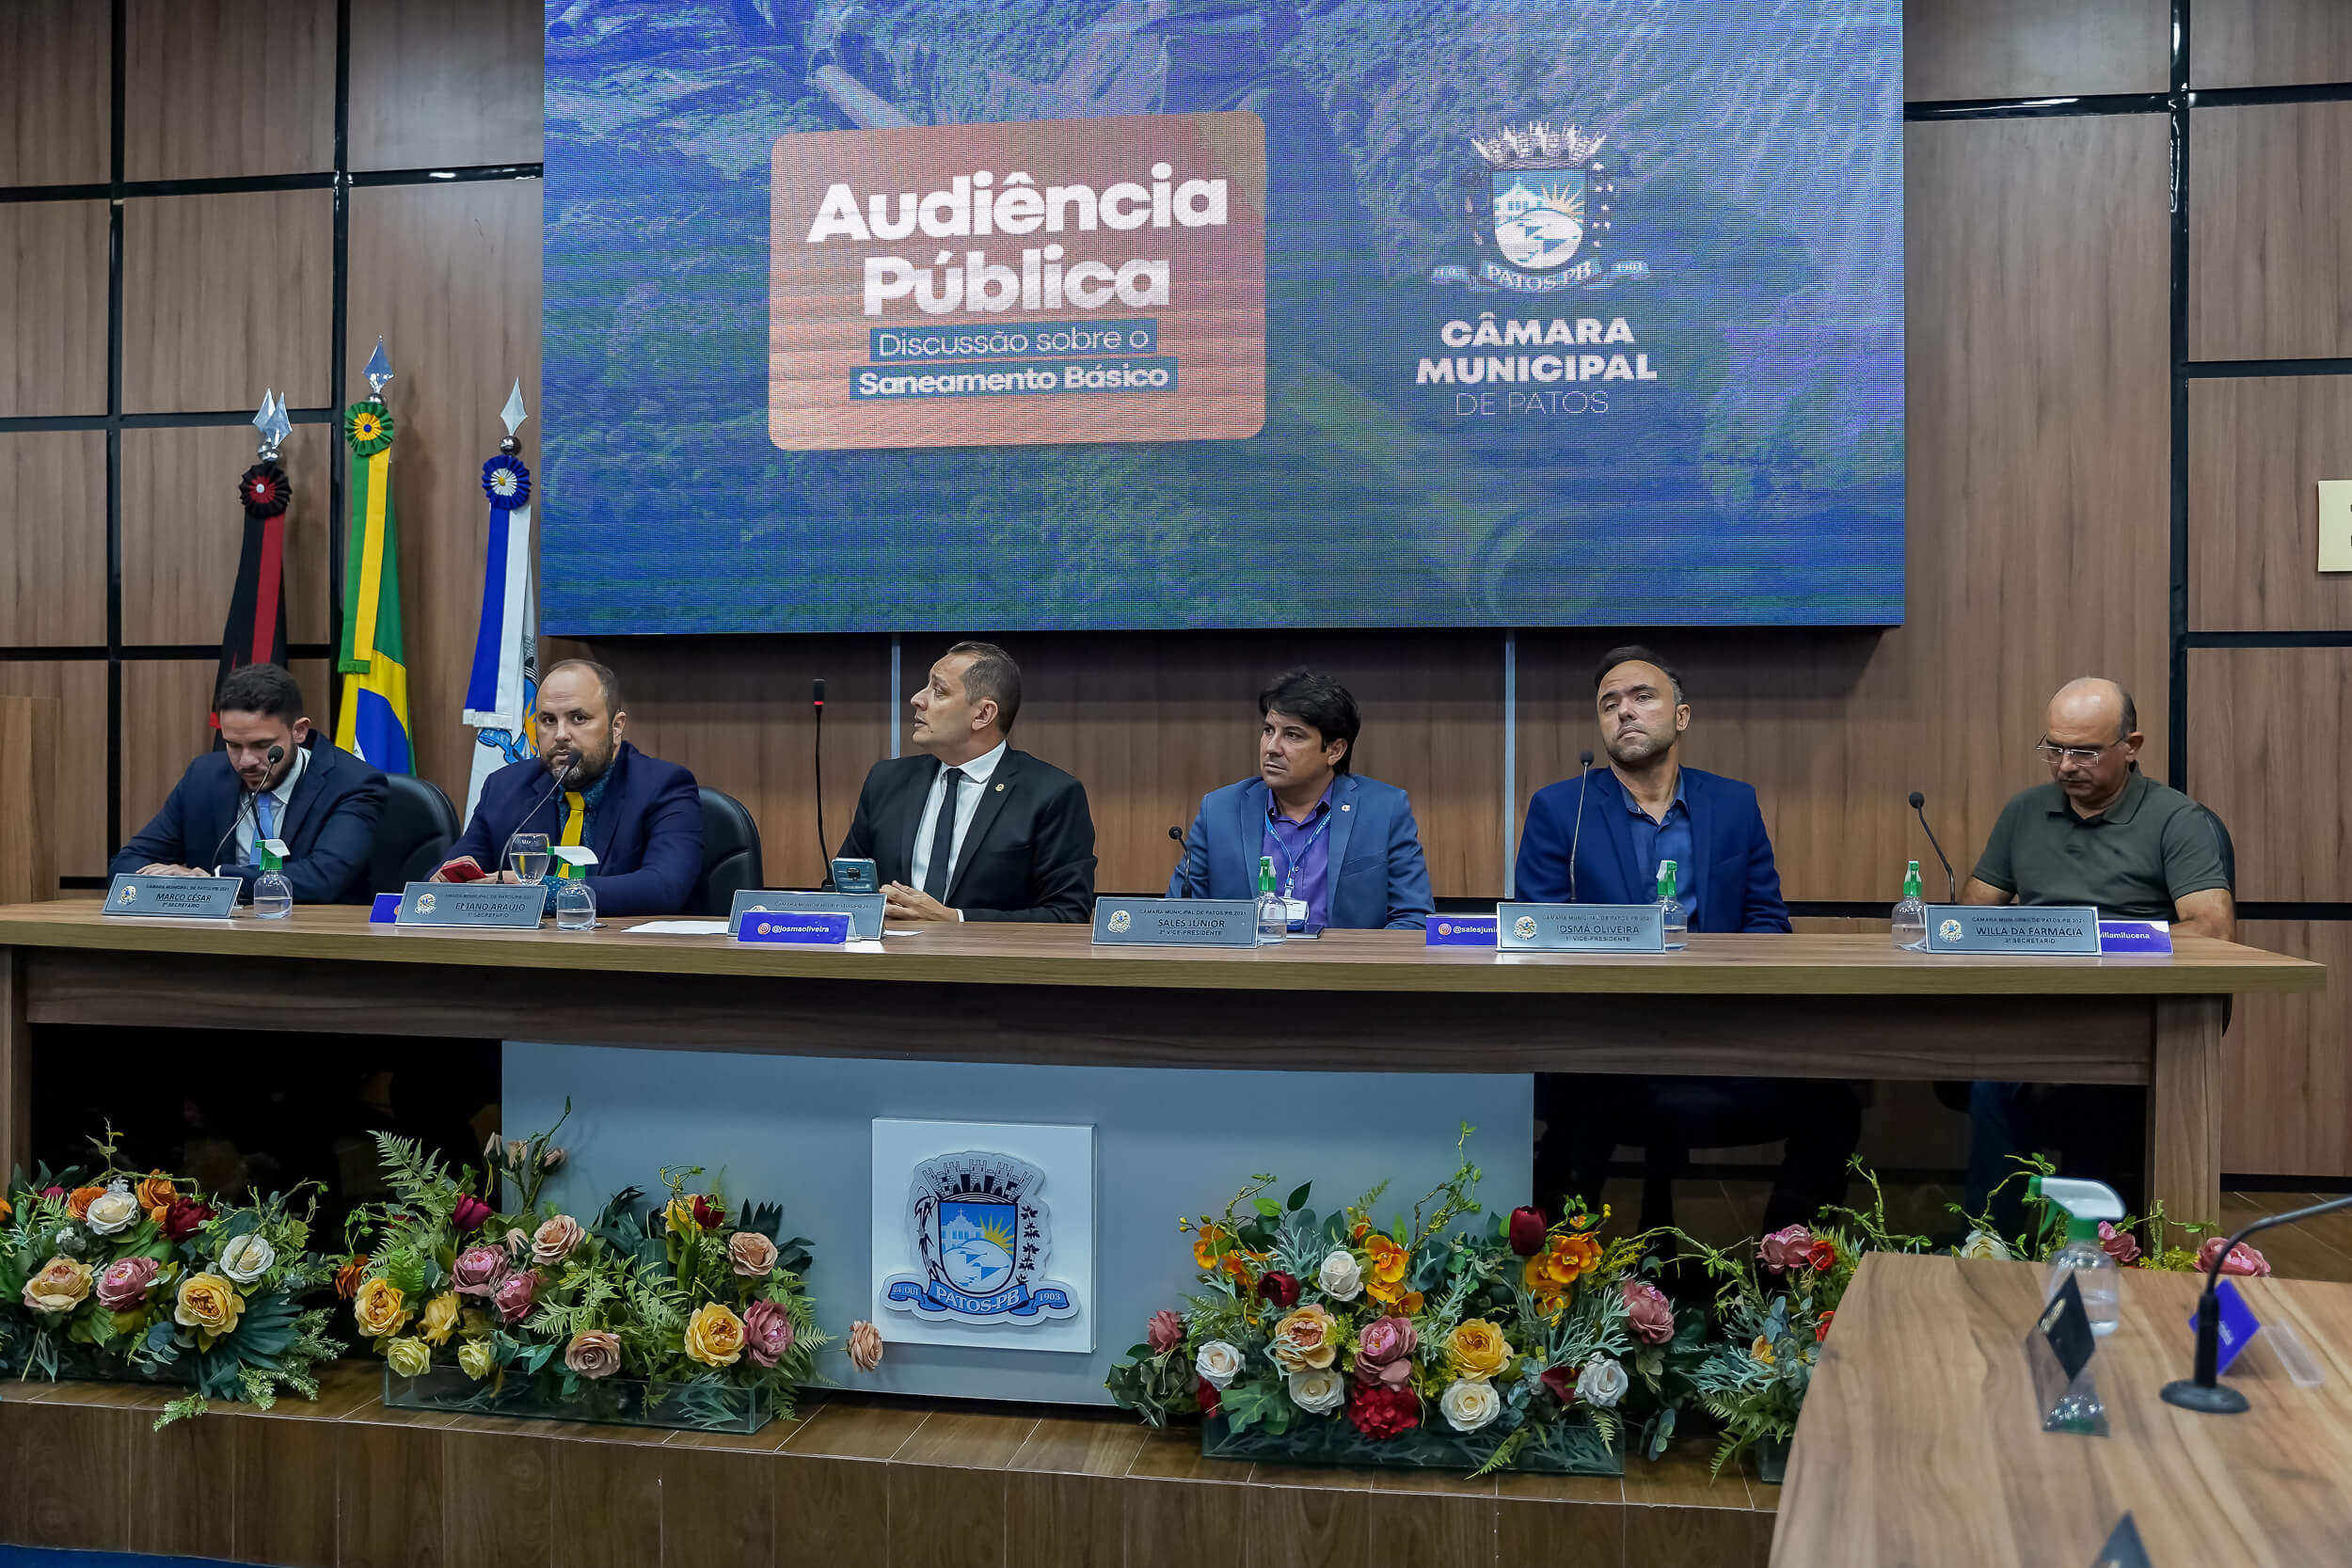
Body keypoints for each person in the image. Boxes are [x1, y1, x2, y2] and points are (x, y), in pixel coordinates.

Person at [1515, 645, 1857, 1233]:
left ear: (1682, 716)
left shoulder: (1732, 803)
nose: (1624, 712)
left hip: (1723, 1031)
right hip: (1608, 1039)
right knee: (1571, 1104)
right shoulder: (1560, 810)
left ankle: (1781, 1278)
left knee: (1835, 1104)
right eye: (1609, 704)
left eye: (1642, 697)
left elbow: (1768, 921)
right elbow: (1535, 929)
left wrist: (1725, 993)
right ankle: (1562, 1292)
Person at [1962, 677, 2235, 1232]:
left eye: (2084, 751)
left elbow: (2212, 928)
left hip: (2128, 1013)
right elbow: (1972, 914)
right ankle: (1992, 1246)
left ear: (2131, 746)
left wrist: (2095, 938)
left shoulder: (2176, 820)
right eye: (2054, 748)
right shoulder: (2025, 812)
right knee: (1990, 1076)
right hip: (2036, 1007)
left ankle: (2101, 1245)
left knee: (2090, 1094)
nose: (2065, 766)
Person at [837, 641, 1096, 923]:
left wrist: (956, 920)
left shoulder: (1051, 794)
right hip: (885, 961)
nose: (917, 699)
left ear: (983, 714)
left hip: (990, 965)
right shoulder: (886, 781)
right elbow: (841, 886)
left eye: (938, 691)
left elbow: (1067, 914)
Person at [435, 659, 703, 917]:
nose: (561, 734)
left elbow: (665, 886)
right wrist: (442, 889)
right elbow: (446, 876)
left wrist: (541, 892)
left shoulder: (663, 786)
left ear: (616, 726)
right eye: (548, 720)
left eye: (578, 718)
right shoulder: (506, 787)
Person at [1168, 667, 1433, 929]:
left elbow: (1413, 919)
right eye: (1269, 730)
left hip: (1344, 968)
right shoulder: (1220, 810)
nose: (1272, 748)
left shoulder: (1384, 810)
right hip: (1246, 969)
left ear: (1334, 750)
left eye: (1292, 735)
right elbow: (1177, 917)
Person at [111, 662, 388, 904]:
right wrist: (170, 883)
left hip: (318, 945)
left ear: (299, 731)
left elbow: (322, 878)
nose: (245, 761)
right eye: (233, 745)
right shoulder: (204, 777)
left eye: (262, 746)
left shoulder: (352, 783)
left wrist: (215, 881)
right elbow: (127, 863)